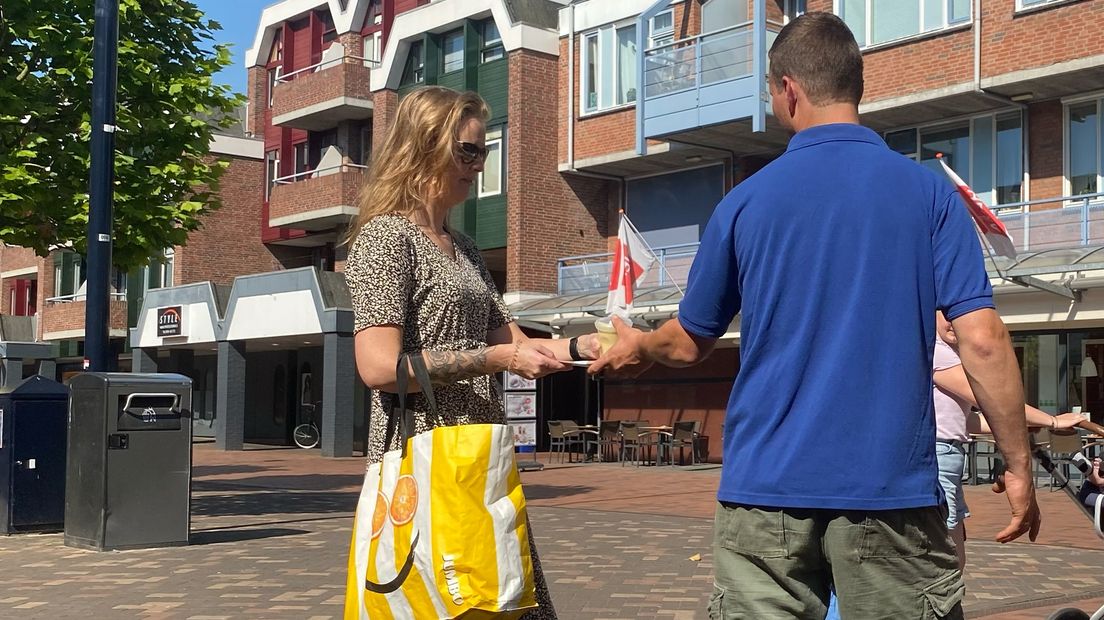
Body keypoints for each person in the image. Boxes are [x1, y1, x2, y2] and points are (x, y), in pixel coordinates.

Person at [589, 12, 1040, 619]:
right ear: (857, 85)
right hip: (890, 495)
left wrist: (639, 346)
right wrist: (1017, 464)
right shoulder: (928, 195)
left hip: (764, 493)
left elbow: (688, 343)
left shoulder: (743, 203)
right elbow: (982, 341)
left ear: (788, 90)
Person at [344, 85, 599, 620]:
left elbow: (513, 343)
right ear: (424, 145)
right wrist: (492, 361)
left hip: (478, 459)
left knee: (504, 594)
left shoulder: (462, 247)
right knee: (446, 600)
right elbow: (377, 366)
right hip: (422, 459)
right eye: (469, 150)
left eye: (483, 151)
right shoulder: (386, 239)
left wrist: (581, 346)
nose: (479, 165)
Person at [932, 310, 1082, 568]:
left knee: (954, 560)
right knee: (947, 563)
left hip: (950, 457)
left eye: (956, 312)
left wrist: (1018, 427)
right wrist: (1053, 421)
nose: (952, 320)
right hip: (940, 458)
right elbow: (995, 402)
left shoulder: (952, 356)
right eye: (944, 313)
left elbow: (968, 420)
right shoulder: (938, 353)